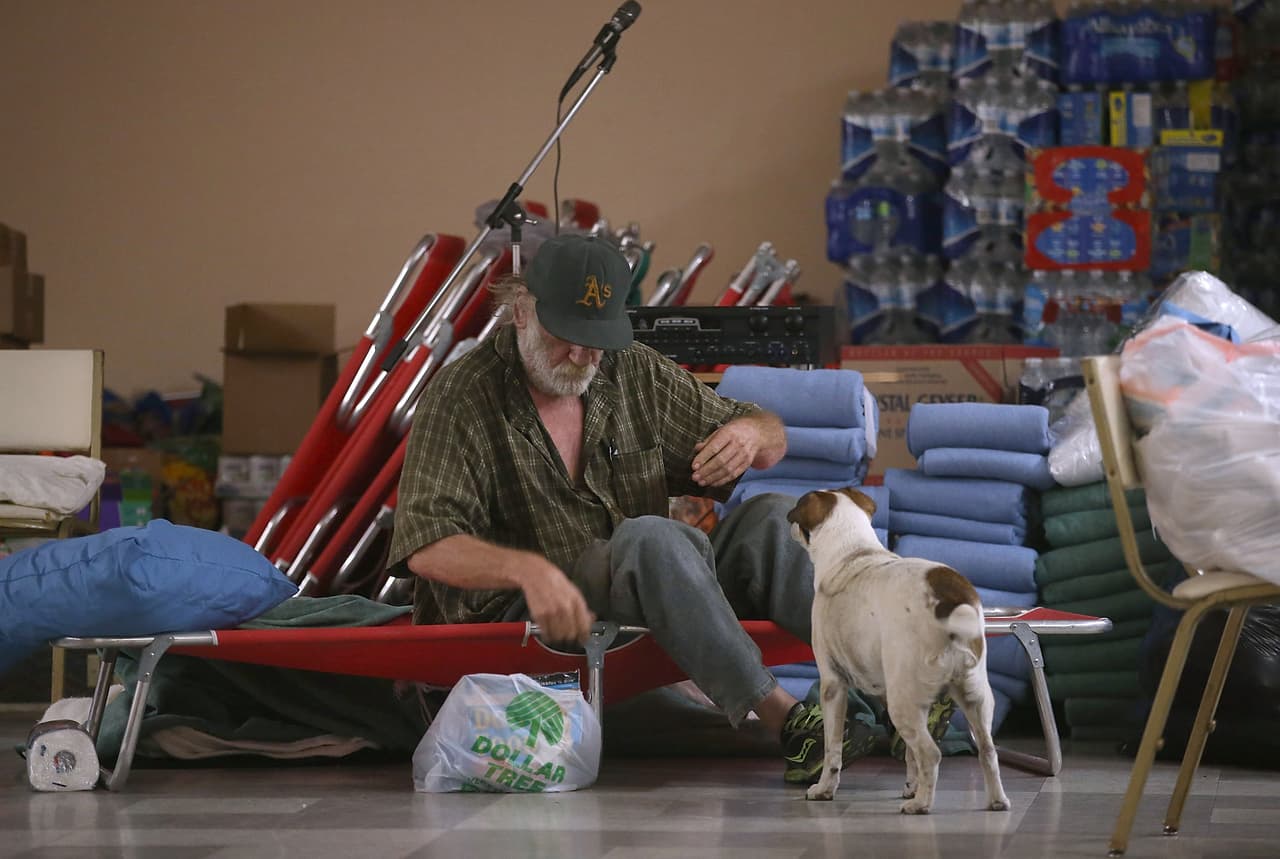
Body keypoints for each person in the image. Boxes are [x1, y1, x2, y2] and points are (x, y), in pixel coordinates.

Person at [388, 233, 874, 784]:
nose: (580, 355)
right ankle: (788, 722)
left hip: (646, 582)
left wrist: (747, 433)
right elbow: (426, 543)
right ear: (521, 311)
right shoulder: (462, 396)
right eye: (565, 336)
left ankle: (879, 692)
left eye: (594, 339)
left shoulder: (629, 370)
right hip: (530, 616)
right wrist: (527, 571)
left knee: (772, 518)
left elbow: (770, 435)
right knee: (653, 537)